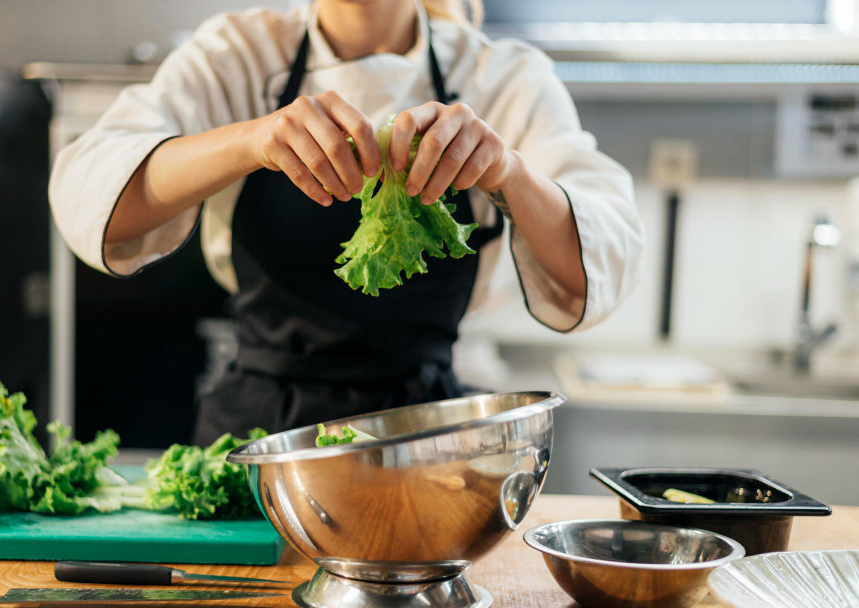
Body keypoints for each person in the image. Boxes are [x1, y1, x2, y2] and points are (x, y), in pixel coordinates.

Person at [49, 0, 643, 445]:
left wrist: (507, 171)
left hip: (426, 436)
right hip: (259, 440)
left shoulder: (505, 76)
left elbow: (600, 260)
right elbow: (92, 193)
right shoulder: (237, 53)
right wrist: (251, 139)